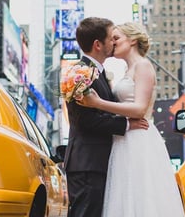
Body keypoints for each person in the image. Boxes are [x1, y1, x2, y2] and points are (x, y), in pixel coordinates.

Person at [78, 22, 185, 216]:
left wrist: (97, 103)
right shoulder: (127, 71)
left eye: (116, 38)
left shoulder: (143, 65)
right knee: (125, 196)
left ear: (133, 40)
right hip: (123, 138)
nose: (113, 42)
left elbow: (139, 108)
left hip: (139, 139)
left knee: (142, 195)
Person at [63, 17, 149, 217]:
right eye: (112, 38)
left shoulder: (97, 72)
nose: (115, 42)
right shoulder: (79, 73)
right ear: (98, 44)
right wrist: (127, 124)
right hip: (87, 163)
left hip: (96, 162)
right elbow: (85, 121)